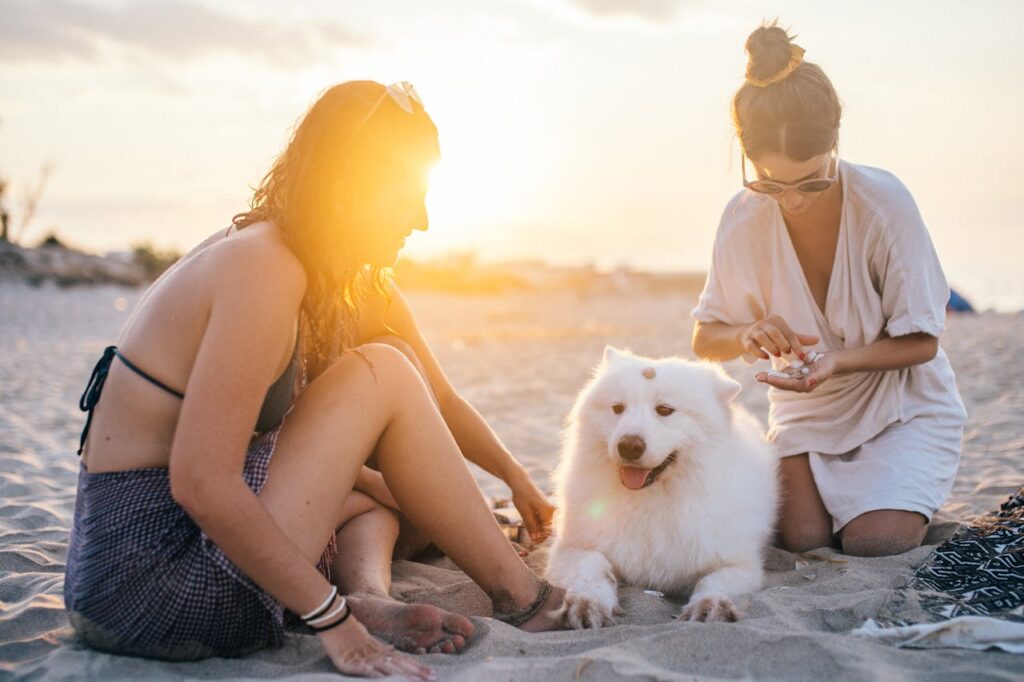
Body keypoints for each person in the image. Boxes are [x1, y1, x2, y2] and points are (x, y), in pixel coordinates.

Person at [64, 81, 564, 679]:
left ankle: (372, 596)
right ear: (350, 189)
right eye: (410, 196)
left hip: (119, 581)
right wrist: (333, 623)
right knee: (385, 372)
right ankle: (526, 599)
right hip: (156, 587)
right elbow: (200, 481)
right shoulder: (264, 269)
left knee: (373, 485)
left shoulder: (270, 253)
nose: (424, 221)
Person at [690, 25, 967, 557]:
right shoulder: (741, 217)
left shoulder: (884, 203)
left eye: (811, 181)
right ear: (749, 159)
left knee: (874, 542)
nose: (791, 201)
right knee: (803, 540)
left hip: (900, 405)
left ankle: (899, 491)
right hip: (807, 416)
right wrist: (748, 332)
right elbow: (706, 338)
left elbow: (923, 342)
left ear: (834, 143)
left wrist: (835, 363)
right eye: (771, 183)